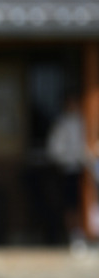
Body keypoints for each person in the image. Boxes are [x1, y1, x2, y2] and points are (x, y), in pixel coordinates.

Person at [46, 92, 94, 249]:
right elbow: (54, 151)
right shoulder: (61, 125)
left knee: (87, 202)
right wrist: (73, 156)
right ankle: (75, 236)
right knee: (71, 205)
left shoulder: (86, 120)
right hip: (70, 170)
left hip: (88, 169)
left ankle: (90, 233)